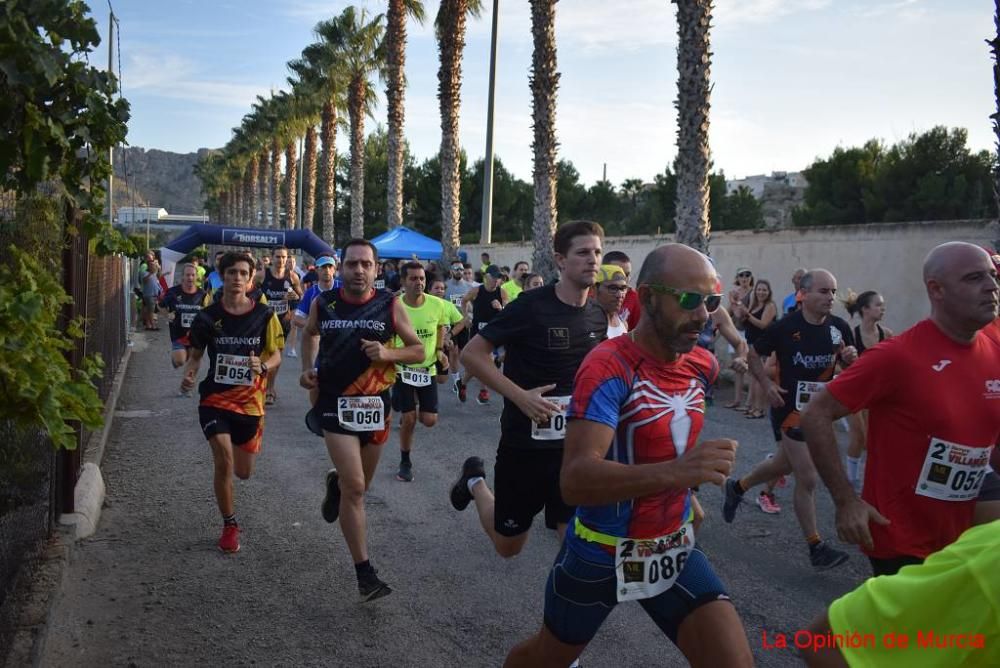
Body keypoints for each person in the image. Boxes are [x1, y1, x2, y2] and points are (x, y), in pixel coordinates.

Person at [503, 243, 752, 668]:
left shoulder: (703, 366)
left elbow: (665, 438)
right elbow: (577, 480)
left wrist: (683, 487)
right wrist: (678, 473)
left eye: (710, 301)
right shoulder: (607, 367)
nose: (703, 314)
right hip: (602, 551)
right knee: (546, 658)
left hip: (670, 545)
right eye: (690, 300)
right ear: (650, 297)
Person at [801, 242, 1000, 576]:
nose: (992, 286)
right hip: (902, 541)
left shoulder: (994, 351)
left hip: (964, 539)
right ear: (936, 289)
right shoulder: (899, 356)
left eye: (993, 276)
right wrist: (846, 501)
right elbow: (815, 413)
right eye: (974, 278)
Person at [450, 221, 608, 559]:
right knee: (508, 545)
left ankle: (567, 609)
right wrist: (520, 397)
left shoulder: (597, 315)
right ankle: (475, 482)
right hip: (524, 446)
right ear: (560, 261)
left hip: (575, 449)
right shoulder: (530, 305)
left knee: (574, 540)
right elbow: (472, 355)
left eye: (597, 252)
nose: (592, 260)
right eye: (582, 252)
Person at [299, 238, 424, 601]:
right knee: (357, 489)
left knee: (358, 486)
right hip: (334, 405)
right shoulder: (325, 303)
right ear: (341, 267)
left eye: (365, 264)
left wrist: (387, 352)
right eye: (351, 263)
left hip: (375, 408)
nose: (358, 270)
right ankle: (364, 573)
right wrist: (308, 369)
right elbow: (309, 334)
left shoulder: (390, 305)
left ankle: (336, 484)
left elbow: (417, 350)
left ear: (376, 268)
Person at [722, 269, 857, 571]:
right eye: (823, 291)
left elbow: (850, 371)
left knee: (783, 464)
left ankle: (737, 487)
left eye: (833, 292)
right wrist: (768, 386)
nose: (830, 297)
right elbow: (754, 354)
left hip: (820, 413)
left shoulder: (840, 328)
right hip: (789, 410)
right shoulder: (785, 327)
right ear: (804, 294)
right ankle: (815, 546)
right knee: (807, 476)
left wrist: (851, 361)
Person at [180, 251, 284, 553]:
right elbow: (196, 357)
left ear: (250, 279)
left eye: (242, 273)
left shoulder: (265, 315)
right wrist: (188, 375)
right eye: (231, 273)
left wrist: (264, 366)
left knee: (243, 472)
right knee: (223, 460)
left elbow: (275, 353)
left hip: (251, 403)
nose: (237, 278)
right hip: (215, 398)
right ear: (221, 277)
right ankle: (229, 524)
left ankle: (231, 515)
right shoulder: (207, 317)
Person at [803, 520, 999, 668]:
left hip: (948, 528)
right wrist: (847, 499)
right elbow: (822, 641)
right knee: (807, 477)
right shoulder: (990, 559)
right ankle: (814, 543)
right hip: (899, 528)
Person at [390, 262, 451, 483]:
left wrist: (439, 349)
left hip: (427, 369)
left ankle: (403, 400)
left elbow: (440, 326)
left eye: (422, 279)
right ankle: (405, 461)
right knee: (409, 419)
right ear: (403, 282)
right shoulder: (395, 305)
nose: (419, 283)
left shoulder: (436, 304)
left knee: (429, 420)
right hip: (402, 369)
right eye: (413, 279)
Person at [840, 290, 894, 492]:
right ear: (865, 309)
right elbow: (840, 367)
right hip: (854, 393)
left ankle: (869, 480)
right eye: (878, 304)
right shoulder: (852, 335)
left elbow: (892, 363)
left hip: (876, 395)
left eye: (883, 305)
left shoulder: (886, 334)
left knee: (871, 442)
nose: (883, 308)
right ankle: (851, 481)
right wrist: (847, 362)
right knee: (859, 435)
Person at [458, 264, 508, 405]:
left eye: (499, 278)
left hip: (494, 332)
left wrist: (501, 307)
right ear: (487, 277)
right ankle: (481, 390)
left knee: (482, 363)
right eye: (494, 278)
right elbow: (464, 301)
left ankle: (464, 384)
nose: (497, 281)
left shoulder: (502, 293)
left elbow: (507, 311)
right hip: (477, 332)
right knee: (482, 362)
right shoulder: (476, 291)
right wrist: (465, 316)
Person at [257, 246, 301, 404]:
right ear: (272, 257)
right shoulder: (262, 275)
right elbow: (250, 292)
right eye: (278, 257)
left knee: (276, 356)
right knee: (262, 355)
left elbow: (299, 296)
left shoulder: (292, 277)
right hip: (263, 322)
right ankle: (259, 386)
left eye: (283, 257)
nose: (281, 260)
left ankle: (270, 389)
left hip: (282, 321)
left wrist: (291, 297)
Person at [733, 279, 777, 420]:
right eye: (759, 289)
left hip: (763, 346)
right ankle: (752, 406)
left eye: (764, 290)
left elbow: (763, 325)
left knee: (760, 378)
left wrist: (748, 315)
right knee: (753, 377)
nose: (761, 292)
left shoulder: (770, 306)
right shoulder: (754, 305)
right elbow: (740, 318)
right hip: (752, 345)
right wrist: (737, 303)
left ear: (769, 292)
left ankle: (760, 409)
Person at [159, 263, 210, 382]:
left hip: (196, 335)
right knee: (181, 360)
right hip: (178, 334)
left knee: (193, 359)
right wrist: (167, 315)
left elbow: (209, 310)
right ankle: (176, 360)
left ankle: (186, 386)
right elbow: (160, 306)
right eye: (187, 275)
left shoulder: (202, 294)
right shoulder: (172, 292)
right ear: (182, 277)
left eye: (193, 275)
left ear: (197, 277)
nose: (190, 278)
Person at [443, 260, 478, 398]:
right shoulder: (445, 286)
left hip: (463, 323)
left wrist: (470, 315)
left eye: (461, 269)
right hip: (450, 323)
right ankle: (456, 380)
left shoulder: (469, 286)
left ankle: (461, 379)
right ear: (451, 271)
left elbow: (473, 305)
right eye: (456, 269)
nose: (459, 271)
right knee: (454, 352)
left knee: (464, 353)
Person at [724, 267, 754, 410]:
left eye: (747, 275)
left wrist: (737, 303)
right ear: (737, 278)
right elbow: (730, 313)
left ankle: (749, 403)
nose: (744, 277)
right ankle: (737, 400)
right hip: (737, 332)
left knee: (750, 368)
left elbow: (743, 314)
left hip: (749, 333)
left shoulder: (753, 293)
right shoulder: (735, 293)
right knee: (738, 368)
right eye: (741, 275)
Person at [428, 276, 467, 385]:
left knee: (442, 379)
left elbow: (461, 322)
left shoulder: (448, 305)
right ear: (429, 290)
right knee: (426, 380)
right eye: (436, 288)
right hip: (426, 345)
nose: (440, 291)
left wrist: (450, 335)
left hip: (443, 344)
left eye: (442, 288)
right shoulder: (422, 304)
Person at [603, 250, 641, 331]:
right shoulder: (587, 296)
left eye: (626, 274)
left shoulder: (636, 299)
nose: (622, 279)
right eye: (617, 273)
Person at [593, 264, 629, 338]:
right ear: (595, 289)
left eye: (623, 288)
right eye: (612, 288)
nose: (619, 295)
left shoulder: (623, 323)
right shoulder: (588, 323)